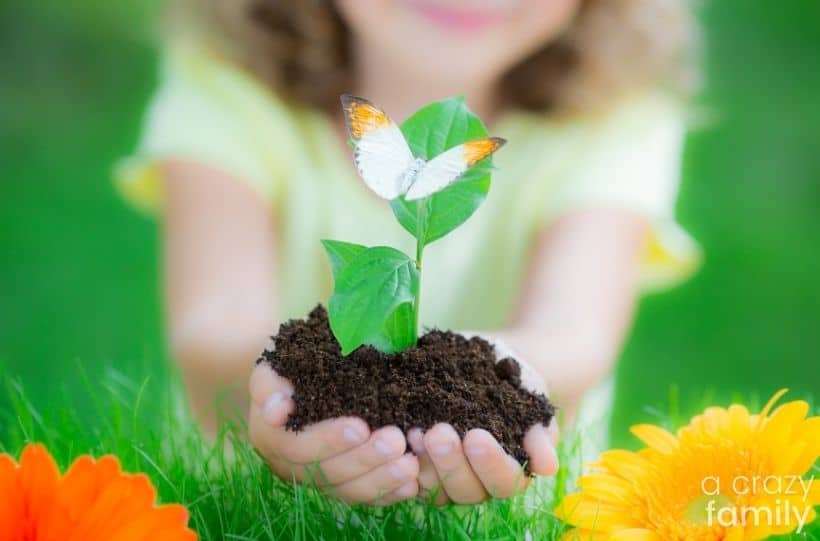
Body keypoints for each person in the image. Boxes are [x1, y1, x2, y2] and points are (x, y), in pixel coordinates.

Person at [116, 0, 700, 506]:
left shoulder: (609, 120)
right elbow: (211, 325)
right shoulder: (231, 90)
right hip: (245, 515)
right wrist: (291, 385)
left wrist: (482, 384)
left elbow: (576, 334)